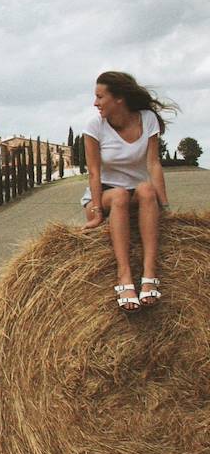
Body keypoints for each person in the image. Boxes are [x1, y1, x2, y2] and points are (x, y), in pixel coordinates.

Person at [81, 71, 176, 312]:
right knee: (121, 195)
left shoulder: (147, 119)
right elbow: (93, 172)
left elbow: (153, 164)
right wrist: (97, 213)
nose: (95, 103)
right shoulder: (94, 126)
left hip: (137, 192)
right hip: (104, 193)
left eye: (100, 97)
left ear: (119, 98)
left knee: (146, 190)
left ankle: (149, 274)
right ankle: (124, 277)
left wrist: (164, 207)